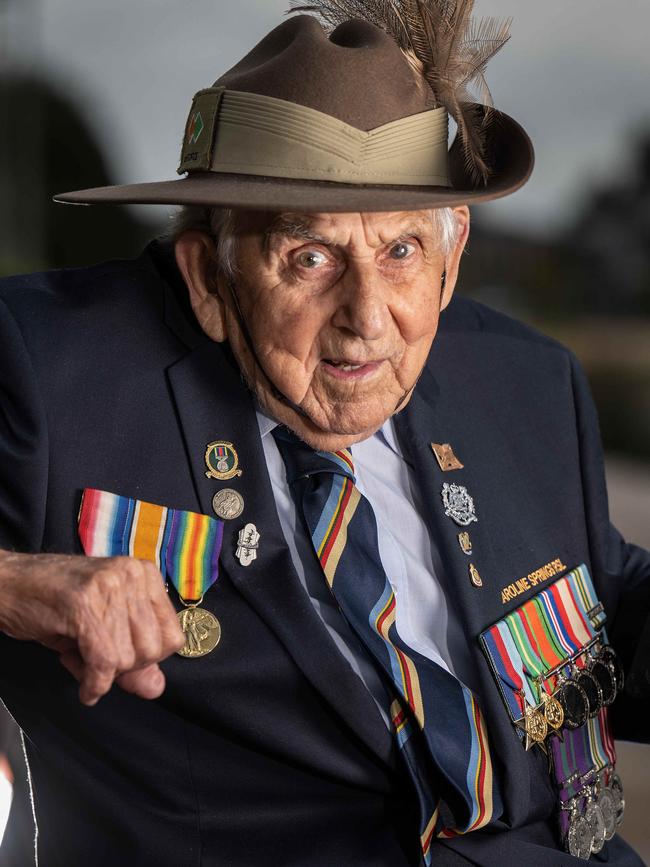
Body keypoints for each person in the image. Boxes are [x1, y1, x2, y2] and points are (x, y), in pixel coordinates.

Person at [0, 4, 648, 866]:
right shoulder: (48, 367)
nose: (366, 320)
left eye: (402, 253)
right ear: (205, 274)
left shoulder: (529, 383)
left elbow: (604, 609)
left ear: (452, 261)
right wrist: (14, 581)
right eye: (311, 257)